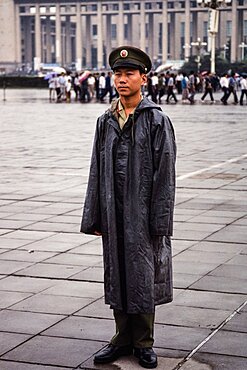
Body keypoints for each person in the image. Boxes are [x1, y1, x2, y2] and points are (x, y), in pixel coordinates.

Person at [81, 46, 176, 369]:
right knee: (117, 272)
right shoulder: (105, 120)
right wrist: (94, 215)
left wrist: (159, 221)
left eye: (129, 74)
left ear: (143, 78)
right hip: (112, 211)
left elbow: (165, 175)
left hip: (143, 215)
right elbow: (97, 168)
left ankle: (143, 342)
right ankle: (121, 337)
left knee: (143, 276)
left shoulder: (156, 120)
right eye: (118, 74)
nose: (122, 80)